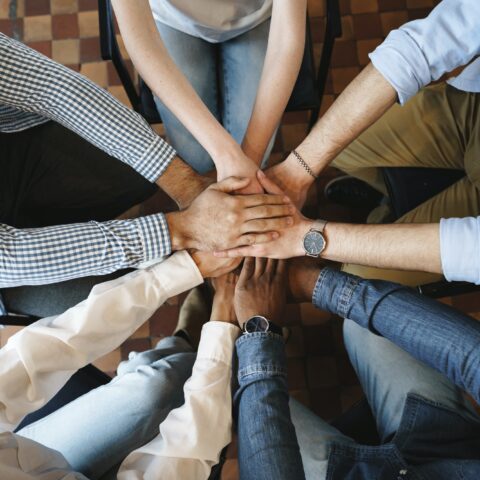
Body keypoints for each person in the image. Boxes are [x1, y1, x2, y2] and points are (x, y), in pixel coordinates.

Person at [0, 33, 294, 317]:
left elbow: (49, 88)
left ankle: (199, 242)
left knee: (136, 175)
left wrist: (187, 186)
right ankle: (199, 274)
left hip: (15, 145)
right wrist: (180, 230)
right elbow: (8, 257)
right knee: (106, 304)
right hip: (8, 273)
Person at [262, 0, 480, 285]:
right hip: (472, 108)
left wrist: (308, 237)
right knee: (336, 142)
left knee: (357, 278)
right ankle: (385, 198)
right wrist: (298, 169)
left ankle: (391, 210)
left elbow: (468, 250)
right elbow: (424, 45)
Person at [1, 248, 243, 479]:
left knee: (156, 385)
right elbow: (182, 459)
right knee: (201, 417)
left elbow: (40, 351)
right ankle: (238, 349)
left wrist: (182, 269)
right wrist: (224, 319)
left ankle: (185, 343)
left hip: (37, 452)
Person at [234, 256, 480, 480]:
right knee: (362, 326)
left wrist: (259, 332)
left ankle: (225, 322)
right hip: (444, 449)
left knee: (235, 387)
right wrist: (321, 285)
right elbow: (473, 357)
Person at [111, 0, 307, 182]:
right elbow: (142, 37)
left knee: (259, 154)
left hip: (257, 16)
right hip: (171, 18)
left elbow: (285, 41)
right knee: (194, 158)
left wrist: (249, 164)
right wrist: (226, 154)